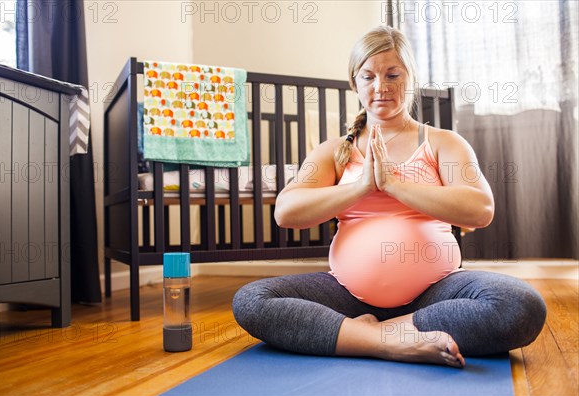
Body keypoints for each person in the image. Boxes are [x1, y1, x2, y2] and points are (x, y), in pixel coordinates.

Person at [232, 26, 546, 368]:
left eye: (392, 75)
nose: (380, 87)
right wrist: (361, 186)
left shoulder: (443, 142)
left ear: (409, 78)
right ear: (355, 83)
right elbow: (286, 212)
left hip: (437, 294)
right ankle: (389, 342)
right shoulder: (335, 151)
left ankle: (370, 335)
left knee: (521, 305)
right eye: (368, 76)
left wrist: (395, 185)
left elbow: (480, 208)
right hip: (347, 295)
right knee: (251, 300)